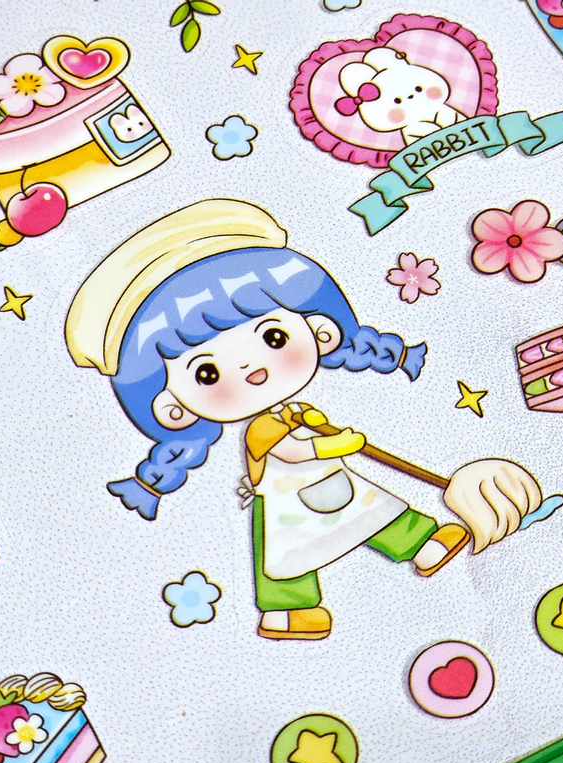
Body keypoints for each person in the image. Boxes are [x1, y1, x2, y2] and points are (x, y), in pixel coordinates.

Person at [66, 198, 470, 640]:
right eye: (207, 373)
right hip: (287, 501)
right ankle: (287, 612)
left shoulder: (287, 412)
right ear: (171, 406)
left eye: (274, 337)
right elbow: (293, 451)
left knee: (370, 510)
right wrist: (338, 444)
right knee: (288, 554)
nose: (250, 368)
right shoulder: (261, 427)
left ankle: (422, 544)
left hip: (327, 483)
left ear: (319, 329)